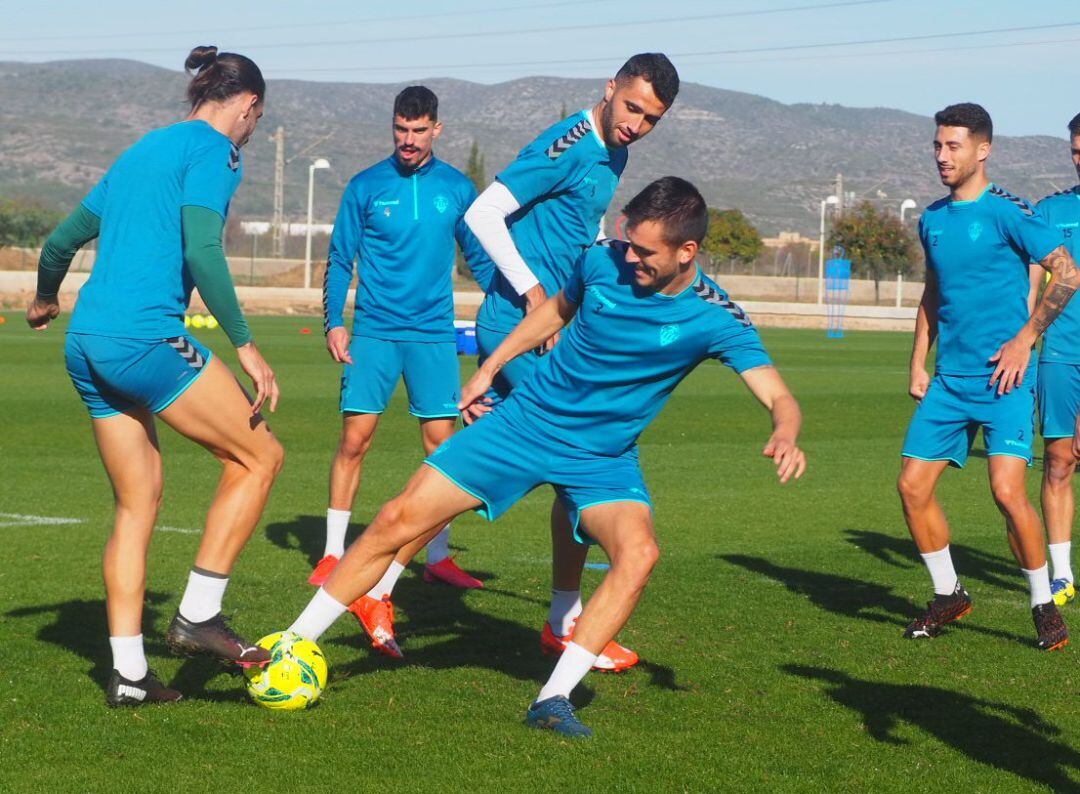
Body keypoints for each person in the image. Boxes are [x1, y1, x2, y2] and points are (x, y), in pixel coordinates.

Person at [282, 177, 806, 737]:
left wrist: (785, 431)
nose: (629, 256)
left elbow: (779, 394)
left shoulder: (715, 315)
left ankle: (553, 698)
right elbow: (555, 311)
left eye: (644, 250)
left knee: (639, 553)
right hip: (524, 424)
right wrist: (489, 367)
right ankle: (290, 643)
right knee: (396, 517)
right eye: (627, 241)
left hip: (601, 458)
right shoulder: (601, 262)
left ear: (687, 252)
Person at [25, 46, 284, 706]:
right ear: (247, 107)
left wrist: (46, 298)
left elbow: (58, 243)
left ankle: (130, 678)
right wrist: (247, 346)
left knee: (137, 507)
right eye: (255, 118)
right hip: (145, 338)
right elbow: (202, 248)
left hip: (85, 344)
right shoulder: (218, 152)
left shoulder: (141, 150)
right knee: (260, 456)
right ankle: (200, 612)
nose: (250, 130)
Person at [462, 52, 679, 672]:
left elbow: (571, 235)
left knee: (526, 468)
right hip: (519, 326)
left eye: (651, 119)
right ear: (610, 88)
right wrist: (532, 290)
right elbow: (481, 213)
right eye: (632, 107)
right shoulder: (574, 141)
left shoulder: (617, 153)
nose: (637, 123)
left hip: (549, 333)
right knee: (589, 457)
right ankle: (380, 583)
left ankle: (560, 619)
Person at [316, 86, 496, 657]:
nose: (408, 140)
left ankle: (437, 558)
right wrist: (333, 322)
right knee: (355, 437)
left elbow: (482, 257)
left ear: (436, 130)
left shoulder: (457, 189)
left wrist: (520, 303)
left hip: (432, 336)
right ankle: (331, 550)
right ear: (392, 127)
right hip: (372, 332)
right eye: (400, 129)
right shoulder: (366, 186)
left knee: (443, 448)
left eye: (419, 131)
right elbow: (341, 257)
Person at [898, 103, 1080, 651]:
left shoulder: (1009, 212)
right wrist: (917, 361)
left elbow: (1067, 272)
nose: (942, 156)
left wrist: (1025, 339)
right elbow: (933, 293)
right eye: (937, 145)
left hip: (1004, 380)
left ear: (983, 149)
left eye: (953, 146)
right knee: (911, 486)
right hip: (949, 381)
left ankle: (1043, 603)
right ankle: (948, 592)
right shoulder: (931, 219)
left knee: (1006, 491)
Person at [1028, 112, 1080, 608]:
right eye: (1076, 152)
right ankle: (1062, 574)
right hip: (1061, 355)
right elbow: (1028, 287)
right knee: (1060, 462)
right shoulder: (1050, 212)